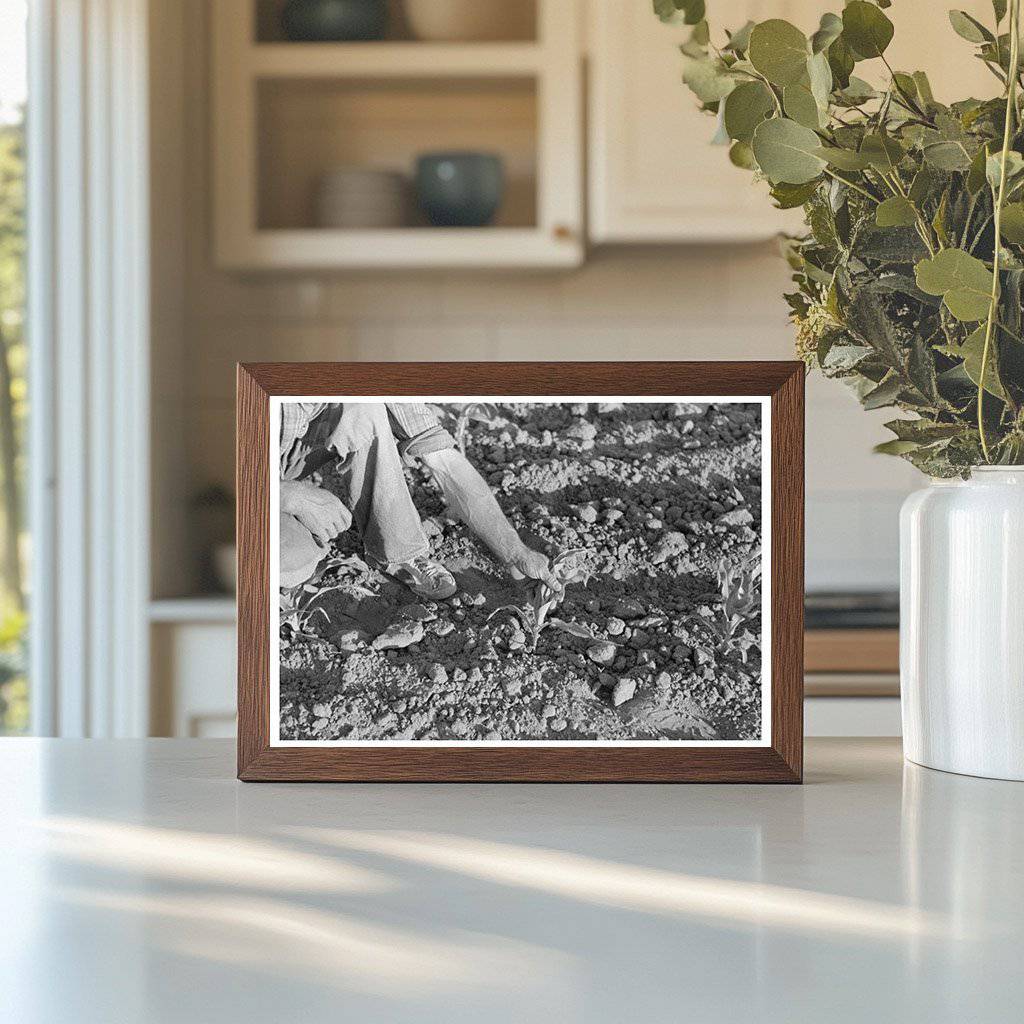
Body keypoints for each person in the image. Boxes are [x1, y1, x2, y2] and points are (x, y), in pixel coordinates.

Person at [278, 401, 557, 599]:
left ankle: (395, 551)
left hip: (282, 453)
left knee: (364, 409)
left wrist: (515, 553)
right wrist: (292, 496)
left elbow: (446, 465)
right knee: (293, 559)